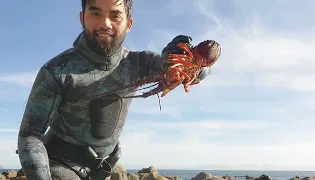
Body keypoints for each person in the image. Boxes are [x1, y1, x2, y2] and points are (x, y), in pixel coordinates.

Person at [17, 0, 213, 179]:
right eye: (95, 14)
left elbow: (198, 72)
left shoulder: (138, 62)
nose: (105, 23)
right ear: (82, 18)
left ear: (129, 24)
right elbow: (30, 134)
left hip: (104, 171)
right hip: (60, 166)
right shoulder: (57, 71)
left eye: (115, 15)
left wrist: (193, 59)